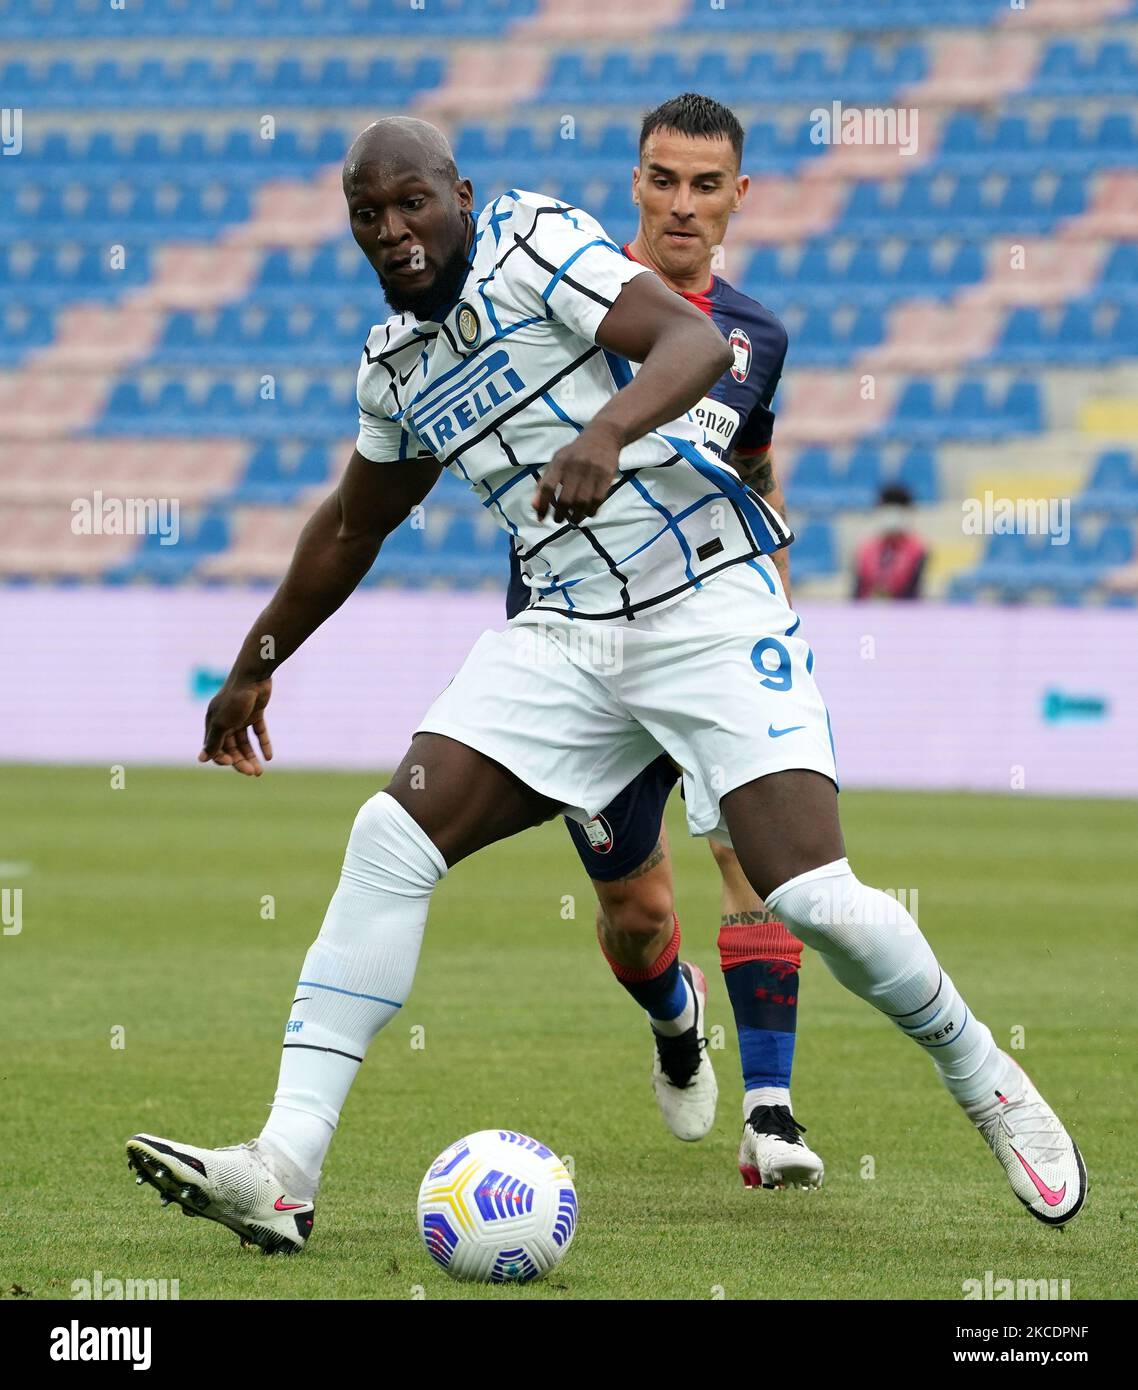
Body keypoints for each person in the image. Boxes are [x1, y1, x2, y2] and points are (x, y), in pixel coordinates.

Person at [127, 114, 1085, 1255]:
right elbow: (351, 524)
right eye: (367, 215)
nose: (393, 230)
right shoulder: (396, 366)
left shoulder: (537, 242)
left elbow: (691, 344)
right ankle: (284, 1165)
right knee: (392, 837)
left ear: (462, 195)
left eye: (412, 204)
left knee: (812, 895)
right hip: (566, 632)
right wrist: (255, 664)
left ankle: (983, 1076)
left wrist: (604, 430)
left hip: (706, 601)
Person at [502, 94, 822, 1189]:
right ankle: (675, 1019)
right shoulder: (567, 308)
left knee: (757, 858)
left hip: (714, 634)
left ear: (741, 195)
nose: (681, 204)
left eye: (704, 184)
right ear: (632, 183)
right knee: (637, 917)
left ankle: (772, 1114)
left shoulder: (758, 339)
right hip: (582, 646)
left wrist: (774, 603)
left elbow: (757, 472)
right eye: (660, 179)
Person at [852, 484, 928, 600]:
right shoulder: (866, 550)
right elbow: (857, 592)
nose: (892, 516)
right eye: (887, 510)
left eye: (898, 510)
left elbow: (912, 591)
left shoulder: (917, 550)